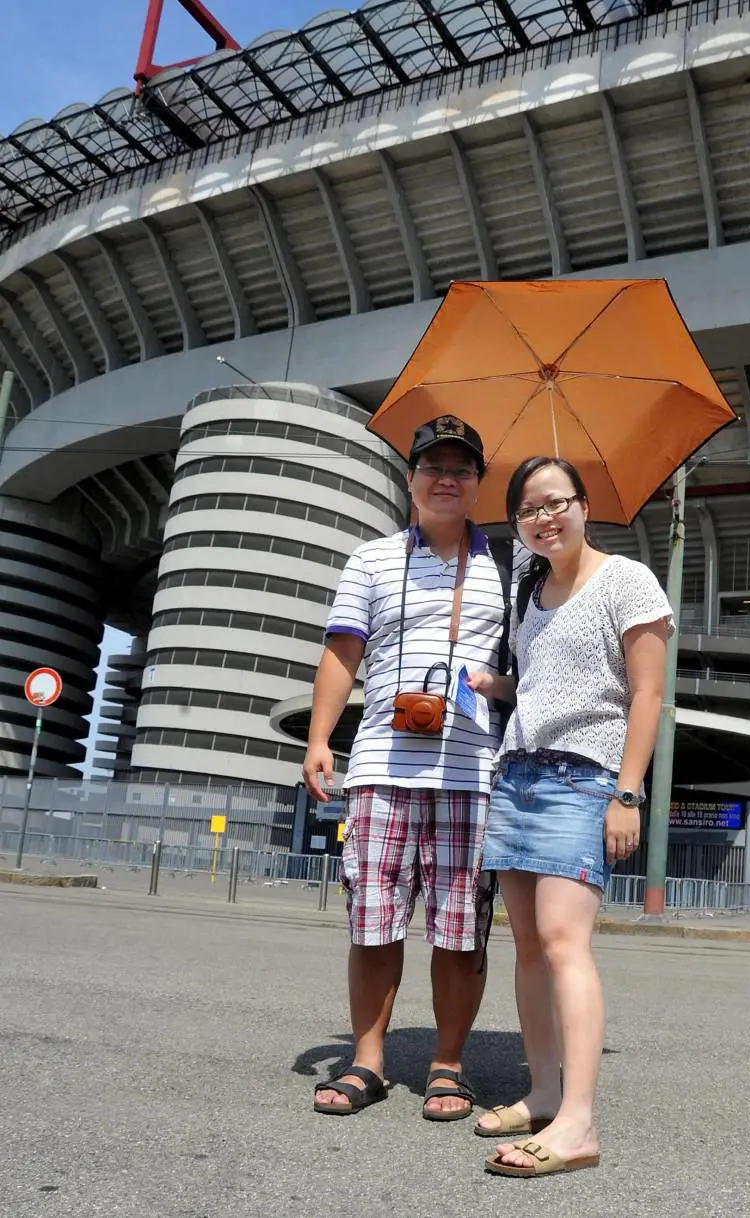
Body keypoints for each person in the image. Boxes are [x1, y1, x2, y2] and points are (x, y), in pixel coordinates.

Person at [304, 415, 513, 1121]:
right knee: (373, 919)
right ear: (411, 478)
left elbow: (530, 666)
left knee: (461, 926)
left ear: (480, 484)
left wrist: (501, 688)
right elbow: (343, 651)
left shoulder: (508, 569)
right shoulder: (371, 559)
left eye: (461, 469)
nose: (446, 479)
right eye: (433, 467)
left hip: (469, 771)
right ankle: (368, 1062)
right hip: (381, 767)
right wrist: (319, 738)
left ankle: (447, 1064)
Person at [468, 456, 672, 1177]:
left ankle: (578, 1124)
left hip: (583, 778)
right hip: (518, 773)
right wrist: (500, 685)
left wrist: (628, 793)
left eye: (557, 502)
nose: (544, 517)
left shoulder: (626, 580)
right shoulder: (531, 594)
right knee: (525, 944)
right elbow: (547, 682)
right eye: (528, 509)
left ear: (585, 507)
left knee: (563, 942)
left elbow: (645, 696)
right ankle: (545, 1090)